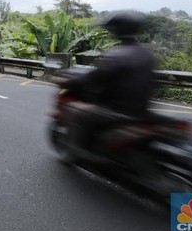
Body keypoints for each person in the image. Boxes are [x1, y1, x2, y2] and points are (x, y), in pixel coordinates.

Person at [61, 10, 157, 160]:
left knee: (78, 113)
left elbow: (94, 78)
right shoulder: (146, 53)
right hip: (142, 111)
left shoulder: (117, 55)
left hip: (118, 111)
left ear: (117, 31)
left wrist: (69, 82)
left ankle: (74, 152)